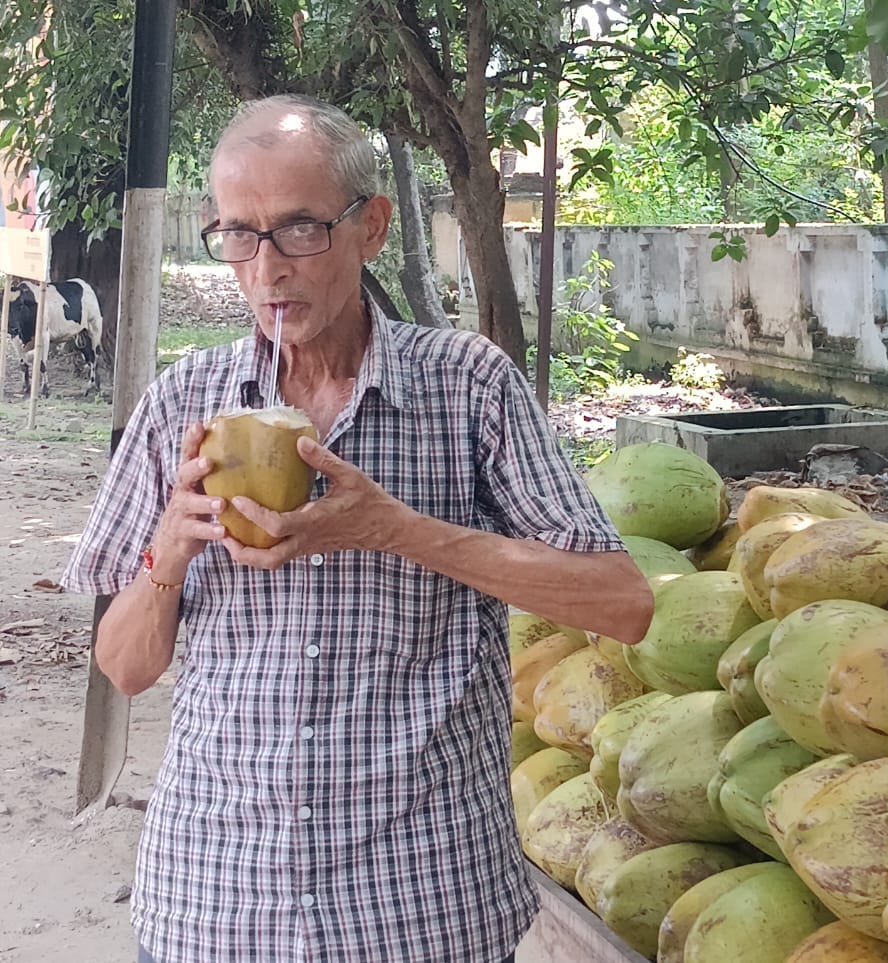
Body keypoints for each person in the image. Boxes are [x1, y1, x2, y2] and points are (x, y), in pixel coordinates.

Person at [61, 94, 654, 963]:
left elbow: (622, 602)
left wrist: (395, 529)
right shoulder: (182, 407)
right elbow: (124, 667)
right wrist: (170, 549)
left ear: (371, 227)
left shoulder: (467, 388)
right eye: (239, 234)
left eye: (300, 228)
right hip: (218, 899)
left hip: (417, 903)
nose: (268, 269)